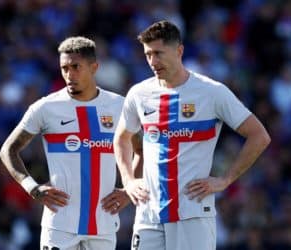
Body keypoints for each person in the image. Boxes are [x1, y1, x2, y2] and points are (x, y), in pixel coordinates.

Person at [113, 20, 271, 250]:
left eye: (158, 53)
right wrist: (128, 180)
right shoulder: (139, 94)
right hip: (148, 213)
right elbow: (121, 138)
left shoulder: (212, 92)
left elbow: (259, 136)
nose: (153, 62)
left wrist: (225, 179)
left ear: (179, 51)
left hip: (193, 212)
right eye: (148, 55)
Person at [0, 36, 142, 250]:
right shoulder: (45, 108)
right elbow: (8, 150)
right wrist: (32, 188)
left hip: (103, 224)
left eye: (76, 67)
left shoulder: (119, 106)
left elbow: (142, 150)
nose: (69, 74)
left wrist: (129, 190)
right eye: (64, 68)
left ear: (94, 67)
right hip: (59, 226)